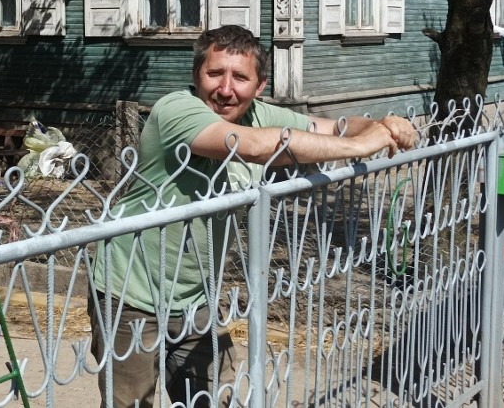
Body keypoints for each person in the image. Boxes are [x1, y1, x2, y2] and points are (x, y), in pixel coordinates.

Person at [88, 25, 415, 408]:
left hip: (195, 298)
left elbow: (336, 127)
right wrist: (360, 145)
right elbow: (257, 147)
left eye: (240, 78)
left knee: (215, 398)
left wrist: (382, 125)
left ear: (260, 85)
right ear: (197, 76)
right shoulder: (177, 109)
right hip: (130, 291)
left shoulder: (260, 113)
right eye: (215, 74)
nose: (226, 89)